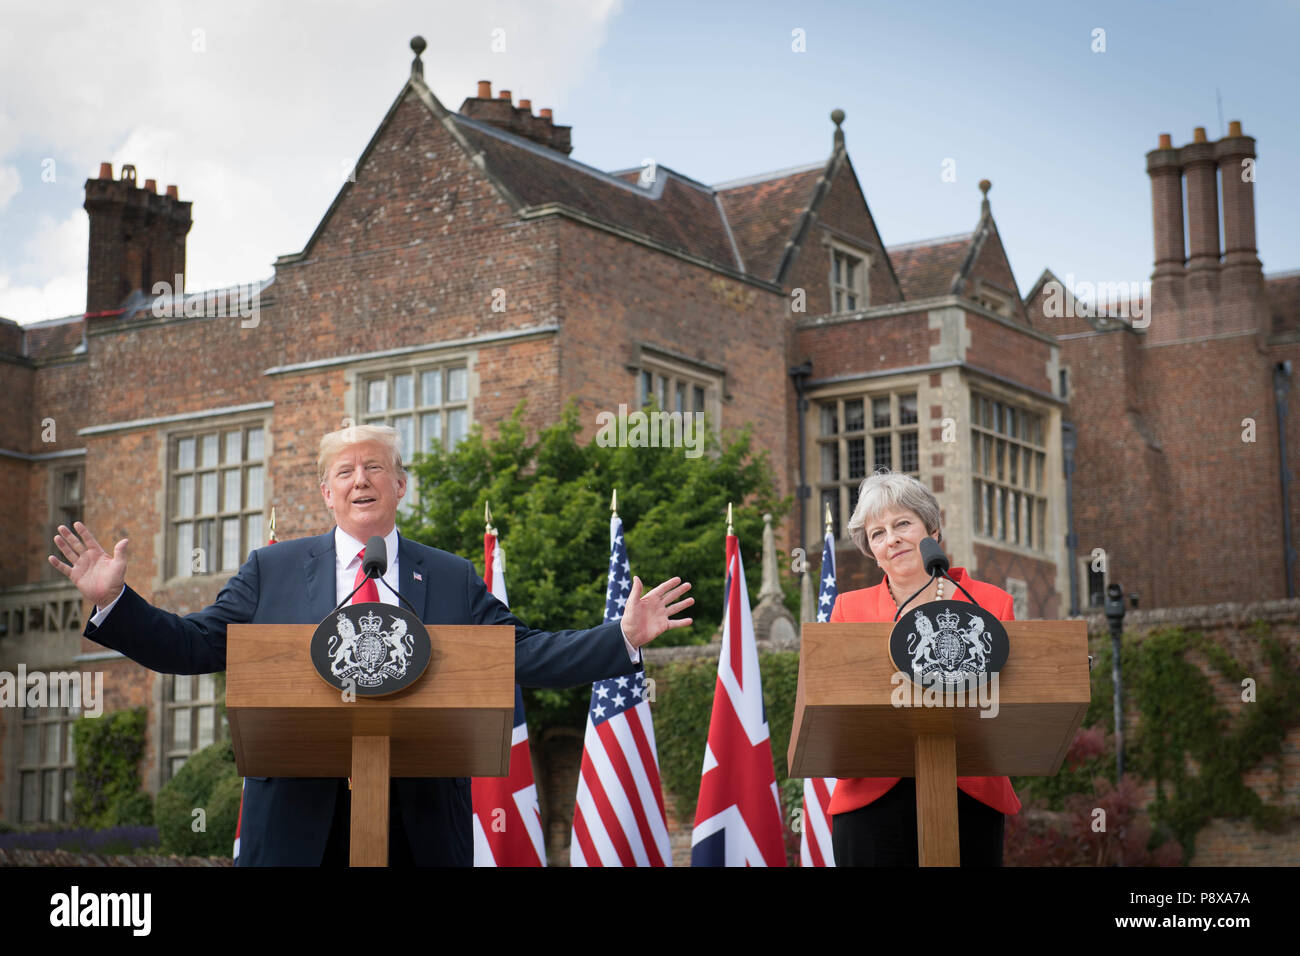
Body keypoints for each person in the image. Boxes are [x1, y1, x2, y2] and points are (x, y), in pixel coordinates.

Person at [49, 424, 694, 866]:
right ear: (326, 493)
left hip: (420, 829)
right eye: (345, 471)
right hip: (297, 827)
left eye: (375, 467)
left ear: (400, 485)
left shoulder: (448, 576)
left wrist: (622, 637)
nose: (361, 480)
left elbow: (522, 655)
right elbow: (190, 645)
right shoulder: (272, 571)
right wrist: (115, 603)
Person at [828, 469, 1019, 866]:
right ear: (871, 550)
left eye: (902, 524)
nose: (891, 538)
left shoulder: (990, 603)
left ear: (931, 528)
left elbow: (1013, 696)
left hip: (968, 788)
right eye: (877, 533)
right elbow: (834, 700)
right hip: (872, 794)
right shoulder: (849, 609)